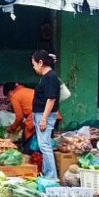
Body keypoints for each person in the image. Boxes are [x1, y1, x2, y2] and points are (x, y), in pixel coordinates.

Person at [31, 50, 61, 178]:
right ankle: (47, 174)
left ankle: (51, 177)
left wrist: (43, 119)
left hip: (44, 116)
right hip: (41, 115)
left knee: (45, 145)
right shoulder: (47, 76)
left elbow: (51, 99)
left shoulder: (50, 77)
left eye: (34, 64)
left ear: (41, 62)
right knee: (44, 145)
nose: (34, 67)